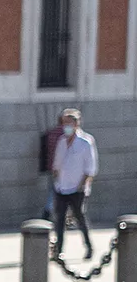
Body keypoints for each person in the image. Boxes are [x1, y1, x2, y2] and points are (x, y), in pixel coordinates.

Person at [50, 109, 98, 260]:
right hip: (61, 187)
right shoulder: (62, 141)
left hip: (77, 188)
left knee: (79, 218)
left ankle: (89, 246)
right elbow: (57, 164)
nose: (66, 126)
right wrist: (56, 179)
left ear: (77, 124)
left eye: (69, 123)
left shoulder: (86, 142)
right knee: (60, 219)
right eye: (64, 123)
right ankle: (59, 250)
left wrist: (83, 185)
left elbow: (90, 167)